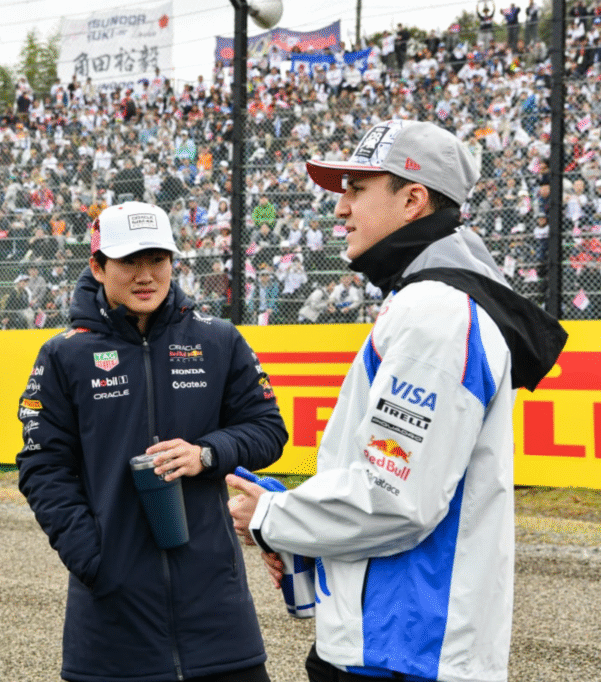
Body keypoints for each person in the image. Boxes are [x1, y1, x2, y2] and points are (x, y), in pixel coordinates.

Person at [226, 120, 567, 682]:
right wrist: (298, 527)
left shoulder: (434, 311)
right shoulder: (431, 301)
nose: (339, 209)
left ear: (413, 200)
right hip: (392, 642)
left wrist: (271, 516)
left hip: (405, 653)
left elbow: (395, 500)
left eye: (358, 189)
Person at [16, 201, 289, 682]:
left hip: (219, 619)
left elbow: (268, 431)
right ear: (98, 267)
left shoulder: (219, 340)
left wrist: (205, 453)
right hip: (112, 624)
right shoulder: (64, 354)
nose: (146, 276)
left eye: (157, 259)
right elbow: (43, 467)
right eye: (129, 262)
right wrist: (96, 562)